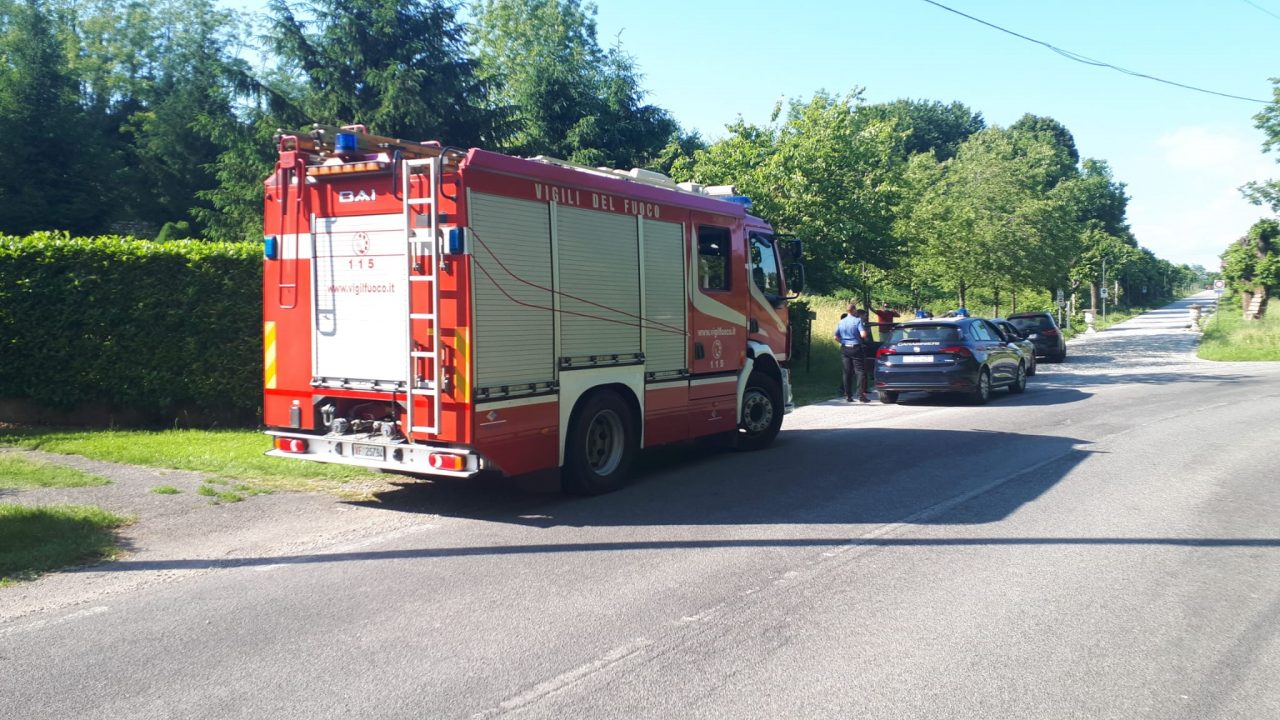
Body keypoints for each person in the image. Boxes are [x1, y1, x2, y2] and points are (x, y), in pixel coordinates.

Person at [833, 304, 869, 403]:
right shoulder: (857, 321)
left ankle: (848, 395)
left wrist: (843, 342)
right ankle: (861, 394)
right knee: (860, 371)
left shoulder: (841, 322)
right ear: (854, 310)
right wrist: (864, 337)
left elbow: (835, 337)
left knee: (847, 372)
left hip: (845, 348)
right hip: (856, 347)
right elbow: (863, 334)